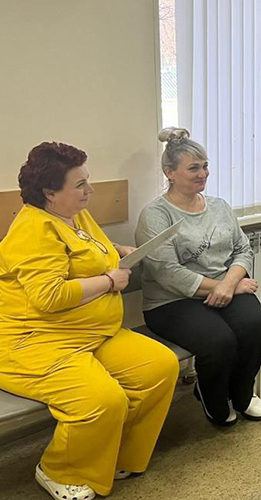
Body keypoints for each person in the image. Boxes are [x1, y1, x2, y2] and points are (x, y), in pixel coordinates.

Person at [0, 142, 179, 499]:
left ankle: (114, 454)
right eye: (80, 184)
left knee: (159, 367)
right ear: (50, 193)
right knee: (102, 400)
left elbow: (90, 252)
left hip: (93, 333)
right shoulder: (34, 230)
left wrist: (119, 252)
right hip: (36, 342)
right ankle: (58, 470)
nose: (90, 190)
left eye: (88, 180)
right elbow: (50, 296)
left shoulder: (74, 214)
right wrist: (110, 281)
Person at [136, 127, 261, 426]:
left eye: (205, 166)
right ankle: (212, 398)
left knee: (255, 329)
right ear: (170, 173)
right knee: (219, 341)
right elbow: (168, 273)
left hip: (226, 286)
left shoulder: (220, 206)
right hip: (171, 301)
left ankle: (242, 394)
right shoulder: (156, 215)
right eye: (194, 168)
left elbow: (243, 249)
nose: (203, 174)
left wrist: (229, 284)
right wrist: (227, 286)